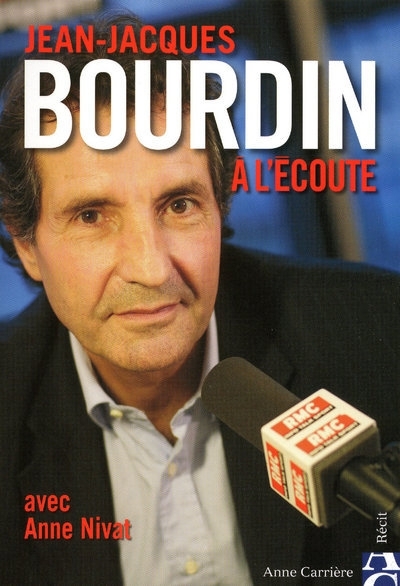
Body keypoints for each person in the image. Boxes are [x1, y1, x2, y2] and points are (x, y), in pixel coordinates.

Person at [1, 11, 400, 586]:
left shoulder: (380, 336)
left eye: (180, 205)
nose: (150, 268)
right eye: (91, 216)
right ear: (27, 245)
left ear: (220, 205)